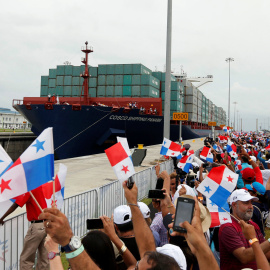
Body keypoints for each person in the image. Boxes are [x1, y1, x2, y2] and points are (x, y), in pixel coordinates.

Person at [219, 189, 270, 270]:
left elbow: (266, 253)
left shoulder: (253, 225)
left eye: (251, 202)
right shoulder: (227, 227)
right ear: (234, 205)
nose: (250, 206)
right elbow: (244, 257)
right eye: (246, 203)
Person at [0, 187, 49, 270]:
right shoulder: (39, 185)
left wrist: (2, 217)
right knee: (44, 258)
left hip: (36, 227)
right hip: (45, 224)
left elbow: (16, 204)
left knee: (26, 258)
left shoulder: (30, 189)